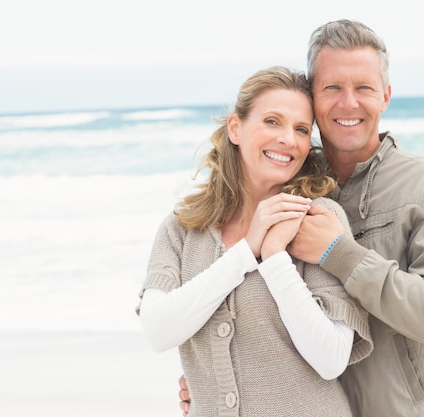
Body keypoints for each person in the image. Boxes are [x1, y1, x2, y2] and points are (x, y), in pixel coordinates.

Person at [179, 20, 424, 417]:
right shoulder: (281, 183)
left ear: (385, 96)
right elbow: (241, 305)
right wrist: (212, 381)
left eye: (364, 88)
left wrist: (339, 252)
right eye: (332, 88)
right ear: (313, 98)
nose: (348, 103)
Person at [137, 65, 373, 417]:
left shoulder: (318, 218)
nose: (287, 139)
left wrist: (276, 257)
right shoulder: (181, 228)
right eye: (272, 121)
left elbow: (331, 358)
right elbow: (158, 331)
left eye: (301, 129)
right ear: (236, 128)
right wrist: (246, 252)